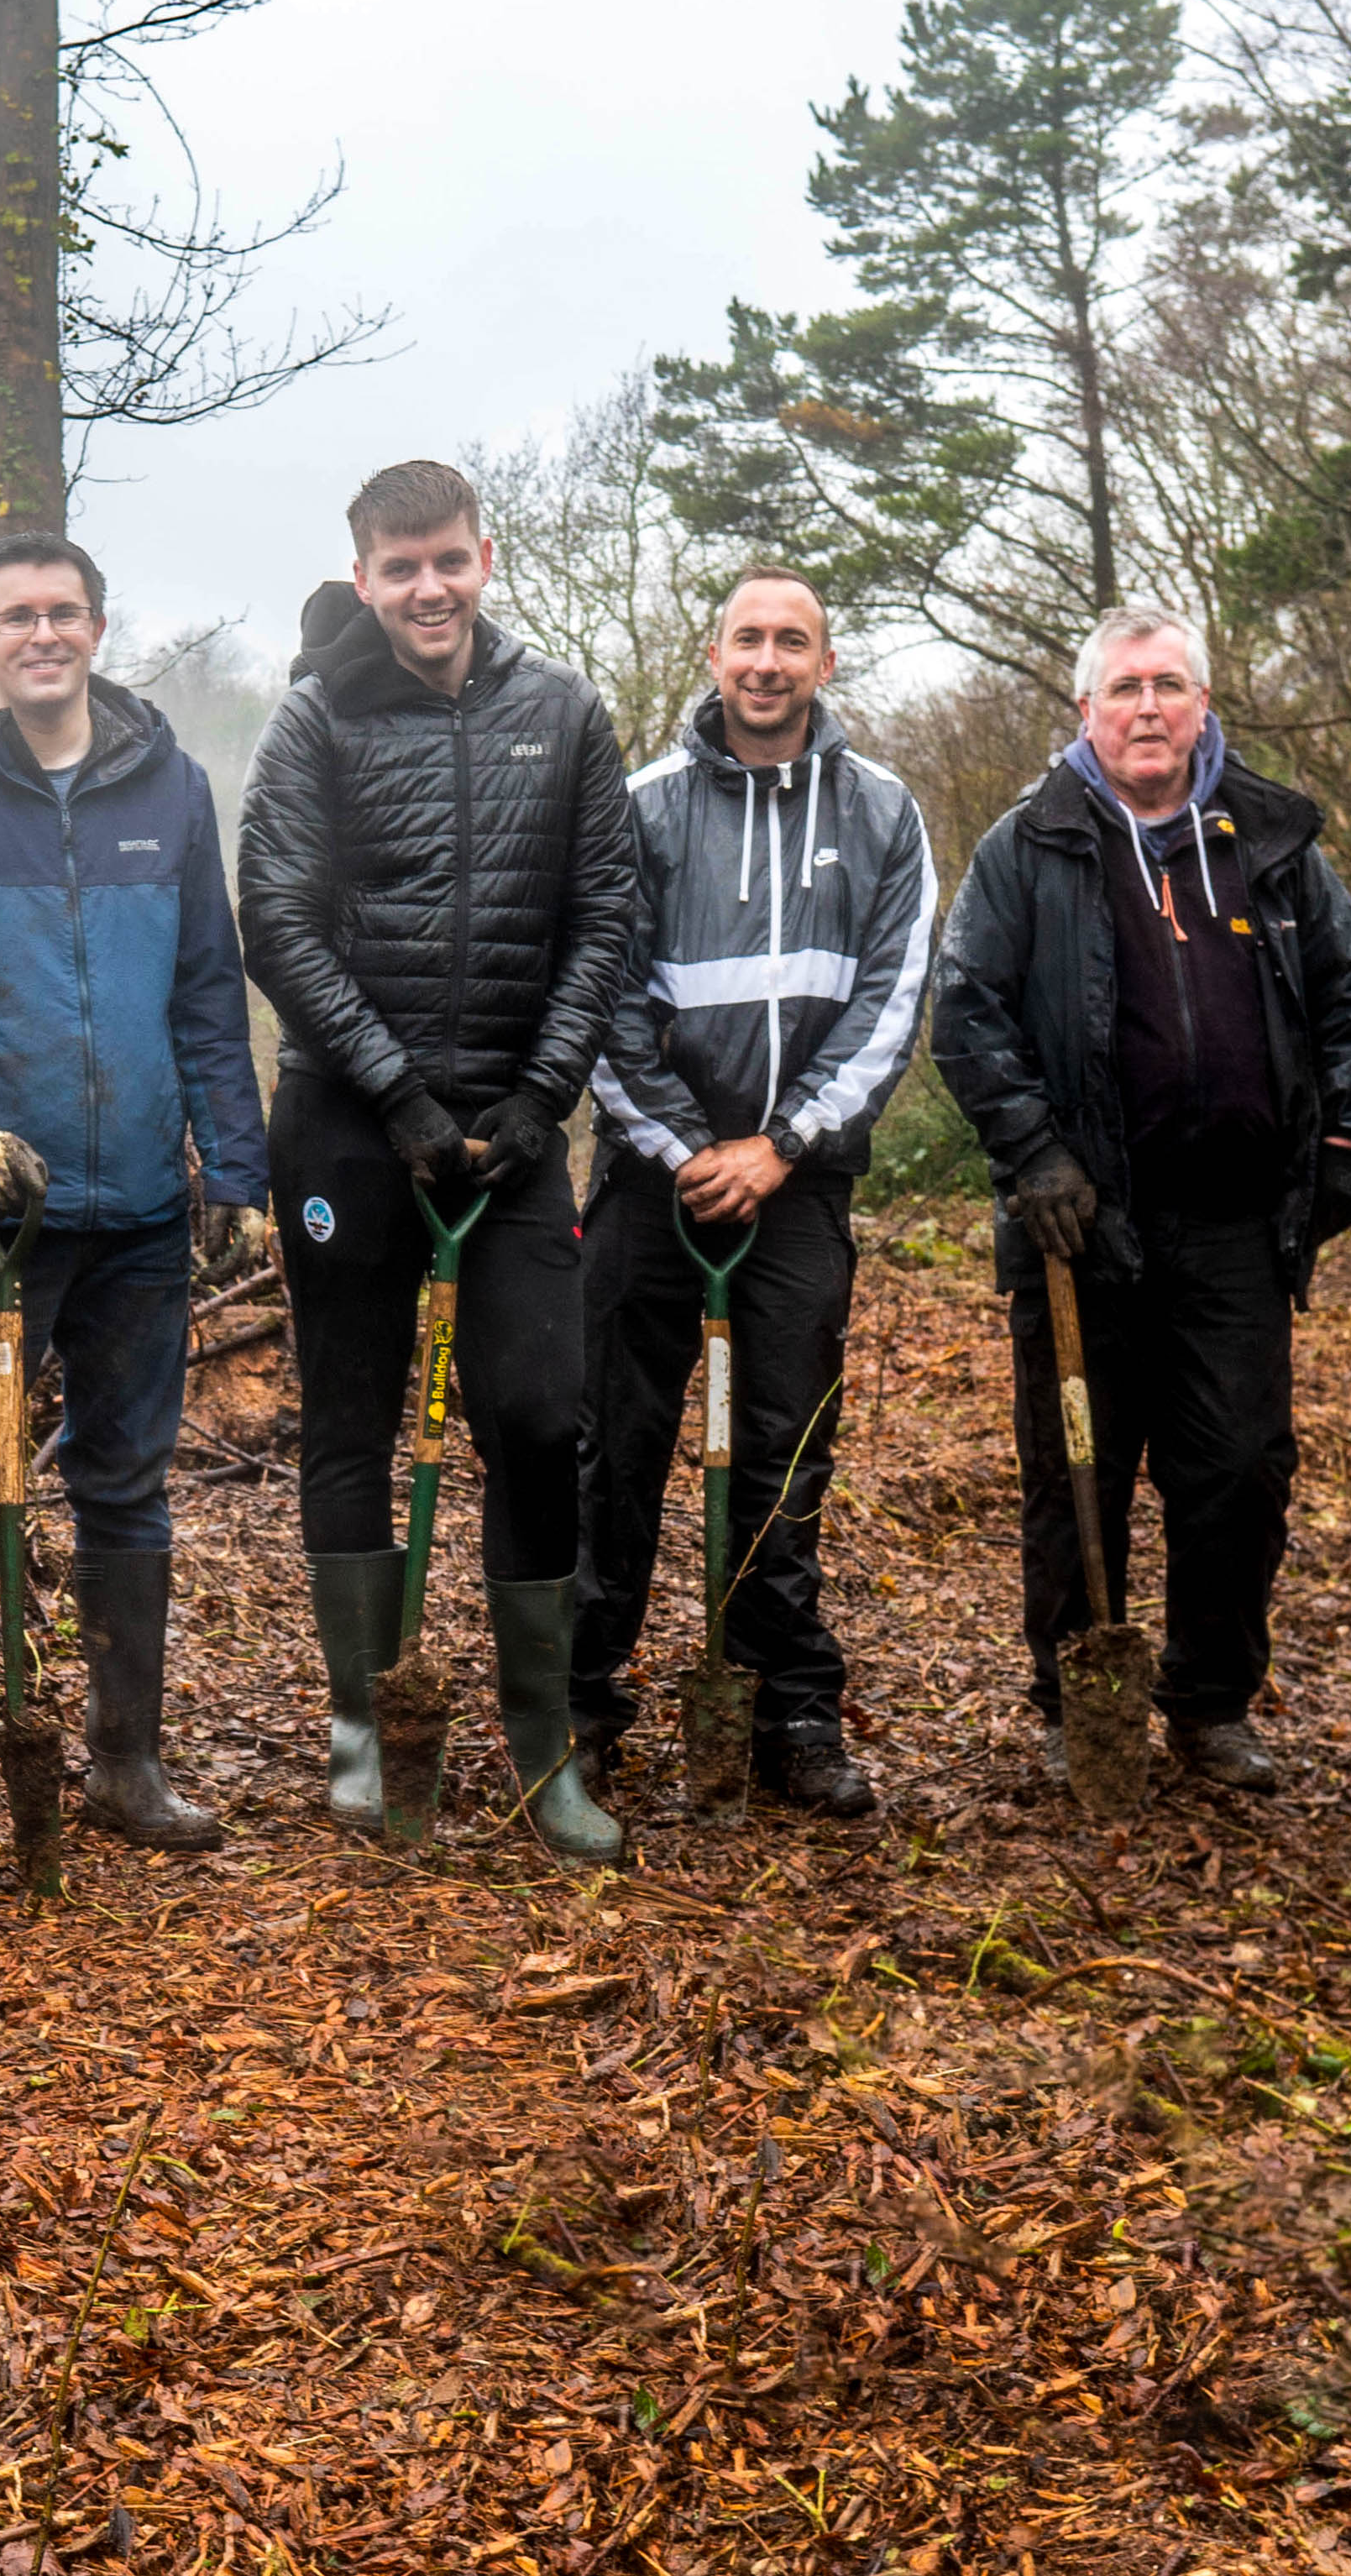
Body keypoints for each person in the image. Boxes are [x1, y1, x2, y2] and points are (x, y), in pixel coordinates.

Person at [0, 533, 268, 1859]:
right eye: (12, 615)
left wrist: (234, 1164)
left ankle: (126, 1765)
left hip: (137, 1207)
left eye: (61, 611)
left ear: (95, 626)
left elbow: (205, 984)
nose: (40, 633)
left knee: (126, 1483)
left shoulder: (170, 785)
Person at [238, 459, 647, 1862]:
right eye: (398, 568)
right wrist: (397, 1096)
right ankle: (368, 1728)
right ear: (363, 578)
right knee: (349, 1419)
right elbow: (276, 922)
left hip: (513, 1128)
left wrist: (542, 1096)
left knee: (538, 1415)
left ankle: (545, 1747)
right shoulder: (313, 718)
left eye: (448, 562)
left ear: (486, 560)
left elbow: (605, 912)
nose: (427, 588)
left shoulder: (564, 711)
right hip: (352, 1122)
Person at [929, 603, 1351, 1796]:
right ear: (1084, 710)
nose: (1145, 708)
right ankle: (1081, 1698)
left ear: (1201, 707)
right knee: (1076, 1468)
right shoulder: (1027, 845)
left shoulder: (1272, 842)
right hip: (1077, 1226)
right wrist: (1034, 1157)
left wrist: (1339, 1139)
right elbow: (965, 1012)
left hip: (1234, 1221)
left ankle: (1209, 1699)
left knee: (1236, 1469)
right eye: (1123, 687)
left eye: (1167, 686)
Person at [574, 568, 935, 1819]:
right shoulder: (636, 809)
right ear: (712, 654)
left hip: (796, 1190)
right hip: (649, 1184)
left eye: (792, 641)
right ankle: (583, 1708)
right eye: (747, 639)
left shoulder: (883, 812)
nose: (767, 661)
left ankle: (786, 1708)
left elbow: (892, 1004)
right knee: (611, 1453)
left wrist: (781, 1144)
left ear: (824, 664)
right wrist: (683, 1147)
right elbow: (602, 997)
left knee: (782, 1454)